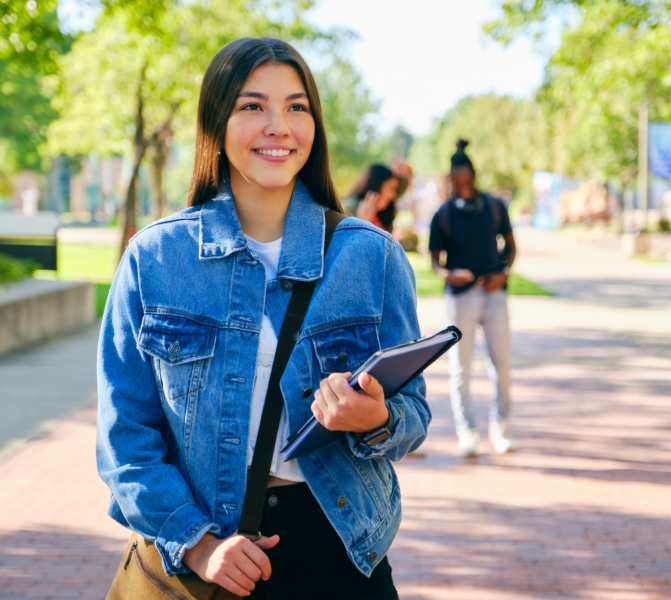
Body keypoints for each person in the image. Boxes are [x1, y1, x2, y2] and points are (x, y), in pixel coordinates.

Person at [97, 37, 429, 599]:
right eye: (253, 107)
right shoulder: (155, 261)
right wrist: (199, 545)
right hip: (203, 555)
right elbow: (124, 440)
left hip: (339, 553)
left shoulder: (371, 257)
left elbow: (413, 414)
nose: (279, 126)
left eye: (296, 107)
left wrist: (374, 418)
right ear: (217, 122)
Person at [428, 139, 517, 458]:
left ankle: (500, 427)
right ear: (451, 177)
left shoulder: (494, 206)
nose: (462, 181)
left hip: (494, 294)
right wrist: (449, 275)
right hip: (460, 297)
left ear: (473, 174)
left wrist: (503, 272)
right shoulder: (444, 215)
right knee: (460, 368)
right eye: (456, 176)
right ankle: (467, 432)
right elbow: (435, 262)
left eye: (466, 175)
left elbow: (510, 244)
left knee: (501, 364)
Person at [343, 163, 400, 233]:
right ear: (376, 185)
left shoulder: (383, 216)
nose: (393, 195)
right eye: (391, 188)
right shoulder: (349, 208)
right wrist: (363, 222)